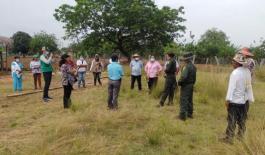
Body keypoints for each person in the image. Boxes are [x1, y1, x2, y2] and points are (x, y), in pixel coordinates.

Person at [221, 53, 254, 144]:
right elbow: (248, 86)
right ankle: (241, 137)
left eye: (233, 61)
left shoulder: (235, 73)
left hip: (234, 101)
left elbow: (231, 88)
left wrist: (227, 100)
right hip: (243, 101)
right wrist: (248, 98)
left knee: (231, 120)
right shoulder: (247, 71)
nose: (232, 63)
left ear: (237, 63)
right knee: (242, 120)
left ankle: (229, 138)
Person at [178, 52, 197, 121]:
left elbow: (184, 76)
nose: (183, 60)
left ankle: (182, 116)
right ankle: (190, 114)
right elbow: (194, 78)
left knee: (184, 99)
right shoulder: (194, 66)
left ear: (186, 60)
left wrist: (179, 82)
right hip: (191, 84)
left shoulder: (187, 67)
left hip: (185, 85)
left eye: (183, 59)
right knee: (189, 99)